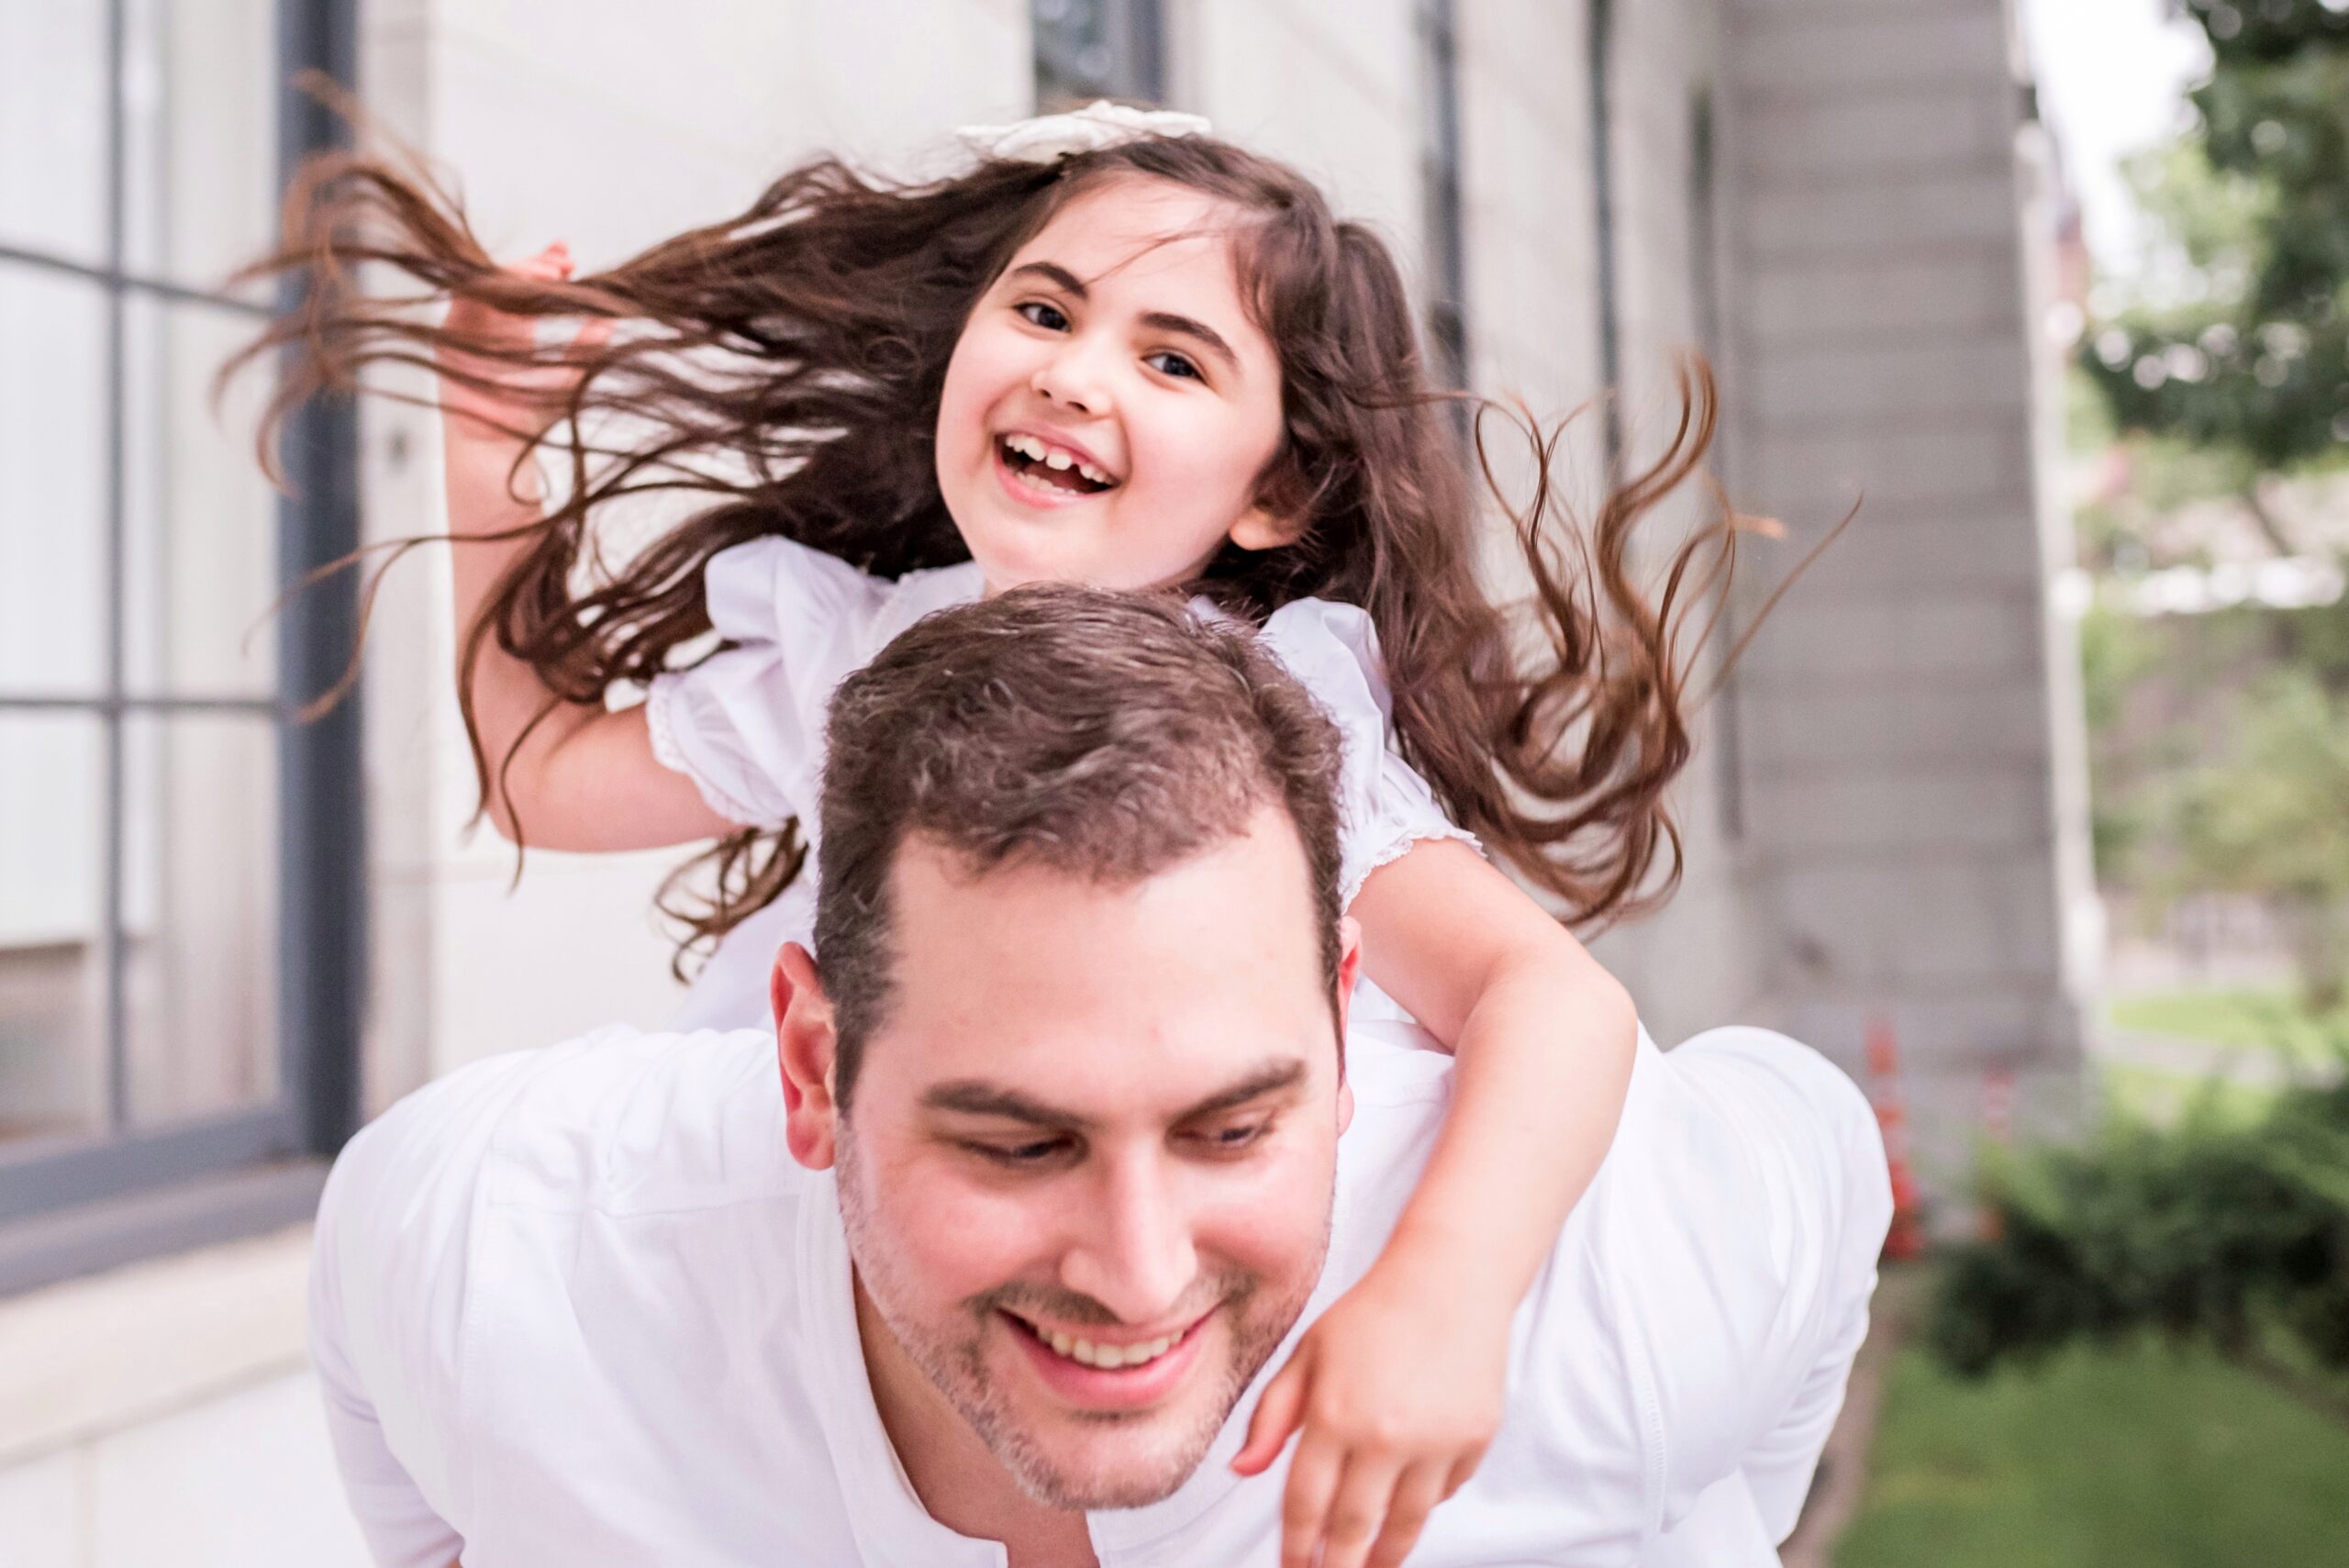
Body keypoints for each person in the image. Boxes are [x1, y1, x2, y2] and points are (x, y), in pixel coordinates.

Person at [243, 101, 1780, 1564]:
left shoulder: (1274, 728)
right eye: (1043, 314)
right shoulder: (864, 652)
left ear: (1276, 486)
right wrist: (490, 451)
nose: (1073, 372)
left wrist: (1443, 1294)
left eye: (1172, 360)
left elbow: (1553, 1000)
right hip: (817, 1325)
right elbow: (541, 774)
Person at [311, 588, 1892, 1568]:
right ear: (810, 1062)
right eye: (1015, 1142)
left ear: (1345, 1041)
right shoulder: (502, 1253)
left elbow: (1824, 1154)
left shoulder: (1614, 1289)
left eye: (1232, 1125)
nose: (1138, 1273)